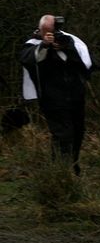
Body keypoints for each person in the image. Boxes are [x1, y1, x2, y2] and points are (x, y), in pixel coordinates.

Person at [19, 15, 93, 174]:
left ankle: (73, 165)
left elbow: (83, 65)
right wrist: (45, 46)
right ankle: (60, 172)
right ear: (40, 30)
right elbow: (29, 59)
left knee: (78, 131)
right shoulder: (32, 44)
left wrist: (65, 48)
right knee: (62, 134)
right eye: (46, 32)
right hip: (52, 99)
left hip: (75, 96)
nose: (50, 35)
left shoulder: (69, 40)